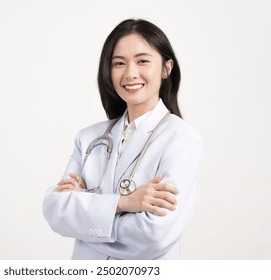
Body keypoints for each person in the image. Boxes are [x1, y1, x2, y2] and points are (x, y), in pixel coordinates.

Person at [42, 19, 203, 260]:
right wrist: (123, 203)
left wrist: (85, 210)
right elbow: (55, 211)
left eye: (143, 61)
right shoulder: (89, 138)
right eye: (119, 63)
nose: (130, 73)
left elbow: (152, 237)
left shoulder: (181, 139)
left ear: (166, 68)